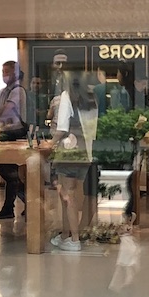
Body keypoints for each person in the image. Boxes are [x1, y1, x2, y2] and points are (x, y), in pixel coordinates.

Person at [49, 70, 94, 252]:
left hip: (68, 152)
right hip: (85, 152)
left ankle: (74, 239)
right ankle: (66, 234)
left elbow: (61, 128)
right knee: (75, 194)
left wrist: (50, 143)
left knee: (67, 196)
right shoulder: (90, 99)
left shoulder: (66, 97)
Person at [0, 60, 27, 221]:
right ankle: (23, 202)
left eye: (7, 71)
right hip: (5, 133)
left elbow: (4, 112)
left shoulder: (17, 91)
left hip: (15, 133)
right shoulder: (3, 92)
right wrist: (0, 112)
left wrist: (1, 112)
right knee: (5, 170)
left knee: (10, 172)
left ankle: (11, 206)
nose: (4, 75)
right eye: (3, 71)